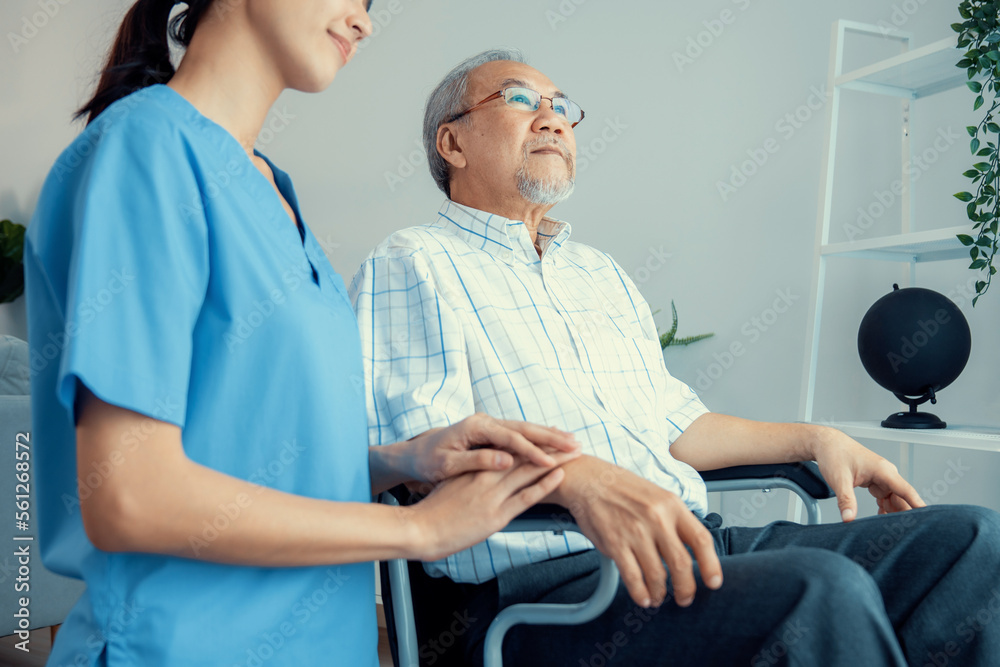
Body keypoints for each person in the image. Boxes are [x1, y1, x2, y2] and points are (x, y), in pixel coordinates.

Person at [349, 48, 1000, 666]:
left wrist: (817, 436)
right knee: (816, 590)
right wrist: (580, 483)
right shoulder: (413, 263)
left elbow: (677, 427)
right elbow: (424, 458)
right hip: (544, 586)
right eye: (520, 99)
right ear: (453, 143)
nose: (552, 116)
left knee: (971, 544)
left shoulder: (596, 271)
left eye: (561, 104)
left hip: (687, 540)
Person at [24, 8, 582, 666]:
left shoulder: (272, 189)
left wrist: (397, 461)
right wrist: (416, 528)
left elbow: (244, 449)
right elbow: (130, 495)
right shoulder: (148, 147)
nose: (363, 21)